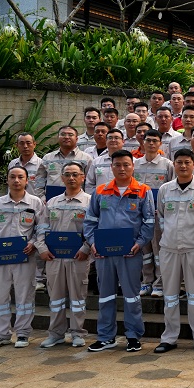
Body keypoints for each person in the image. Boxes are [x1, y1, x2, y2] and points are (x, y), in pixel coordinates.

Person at [83, 150, 155, 352]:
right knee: (106, 296)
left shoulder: (143, 191)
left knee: (132, 296)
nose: (122, 168)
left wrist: (139, 243)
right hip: (104, 253)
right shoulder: (100, 191)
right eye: (117, 165)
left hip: (130, 253)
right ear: (111, 167)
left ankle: (133, 336)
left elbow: (149, 221)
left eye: (126, 164)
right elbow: (90, 221)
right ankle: (106, 337)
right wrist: (93, 243)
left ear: (133, 166)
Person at [0, 166, 48, 349]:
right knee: (0, 297)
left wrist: (33, 243)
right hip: (0, 258)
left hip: (25, 257)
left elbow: (42, 228)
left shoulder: (35, 203)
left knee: (25, 296)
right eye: (12, 177)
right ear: (7, 180)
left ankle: (23, 333)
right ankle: (0, 334)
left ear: (27, 180)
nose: (16, 180)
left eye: (20, 177)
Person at [153, 149, 194, 353]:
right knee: (170, 296)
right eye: (179, 162)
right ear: (174, 164)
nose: (183, 166)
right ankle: (169, 338)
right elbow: (161, 218)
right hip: (169, 249)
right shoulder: (165, 190)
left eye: (187, 162)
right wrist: (170, 237)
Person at [38, 162, 92, 349]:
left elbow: (93, 229)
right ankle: (56, 334)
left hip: (78, 257)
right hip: (54, 258)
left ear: (83, 177)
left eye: (75, 174)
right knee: (56, 298)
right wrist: (41, 247)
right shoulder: (52, 202)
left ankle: (77, 333)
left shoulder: (90, 202)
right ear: (62, 178)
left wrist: (86, 248)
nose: (71, 178)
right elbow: (42, 228)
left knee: (78, 298)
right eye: (67, 174)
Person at [133, 129, 174, 297]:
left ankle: (160, 283)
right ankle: (146, 281)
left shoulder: (168, 165)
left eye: (154, 141)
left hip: (158, 215)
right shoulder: (135, 164)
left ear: (160, 144)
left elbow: (171, 189)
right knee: (144, 250)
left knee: (158, 250)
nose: (151, 143)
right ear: (143, 142)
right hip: (138, 215)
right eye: (148, 140)